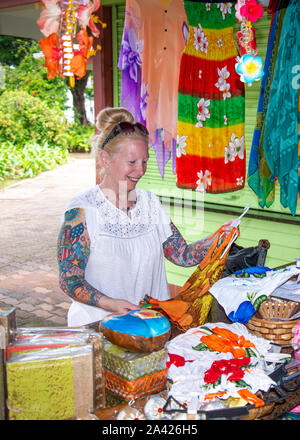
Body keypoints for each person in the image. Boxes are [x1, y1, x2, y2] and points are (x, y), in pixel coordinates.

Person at [57, 107, 234, 327]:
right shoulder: (81, 211)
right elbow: (70, 280)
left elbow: (181, 255)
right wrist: (110, 304)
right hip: (98, 326)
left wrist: (217, 239)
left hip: (150, 326)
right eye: (132, 162)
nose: (140, 171)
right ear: (105, 159)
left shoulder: (150, 203)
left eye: (144, 162)